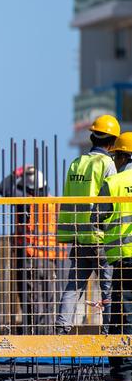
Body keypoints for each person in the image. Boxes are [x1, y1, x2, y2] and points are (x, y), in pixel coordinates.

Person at [55, 114, 120, 335]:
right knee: (108, 288)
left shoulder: (77, 163)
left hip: (80, 236)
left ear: (92, 136)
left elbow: (69, 199)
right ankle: (110, 331)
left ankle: (62, 328)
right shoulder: (107, 164)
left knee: (74, 286)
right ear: (112, 141)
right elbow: (110, 201)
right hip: (101, 236)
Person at [1, 166, 63, 333]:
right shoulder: (54, 202)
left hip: (30, 258)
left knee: (32, 300)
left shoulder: (25, 201)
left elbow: (4, 189)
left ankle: (35, 335)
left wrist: (17, 172)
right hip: (51, 259)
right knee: (50, 300)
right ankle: (49, 335)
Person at [93, 132, 132, 381]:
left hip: (125, 259)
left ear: (121, 156)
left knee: (124, 313)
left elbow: (96, 217)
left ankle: (125, 371)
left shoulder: (115, 182)